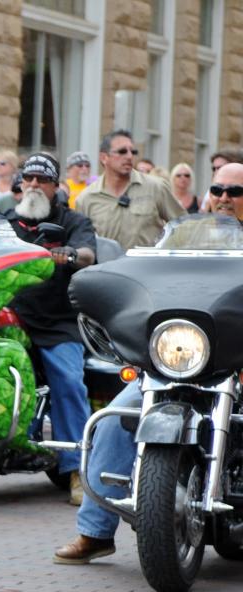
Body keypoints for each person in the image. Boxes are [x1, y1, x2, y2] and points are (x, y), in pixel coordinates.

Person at [55, 161, 243, 563]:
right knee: (115, 419)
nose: (225, 198)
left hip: (237, 362)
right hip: (184, 358)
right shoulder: (185, 237)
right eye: (219, 190)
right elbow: (150, 273)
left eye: (235, 192)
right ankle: (95, 532)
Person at [5, 153, 97, 506]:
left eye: (41, 180)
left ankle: (77, 470)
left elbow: (88, 253)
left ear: (55, 187)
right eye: (28, 178)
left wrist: (70, 254)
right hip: (10, 319)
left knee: (69, 381)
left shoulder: (72, 220)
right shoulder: (5, 220)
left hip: (58, 322)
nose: (33, 185)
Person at [76, 130, 185, 250]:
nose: (129, 156)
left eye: (133, 152)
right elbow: (81, 242)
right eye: (122, 151)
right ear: (104, 157)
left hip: (147, 267)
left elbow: (185, 227)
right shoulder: (86, 198)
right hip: (105, 267)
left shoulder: (156, 188)